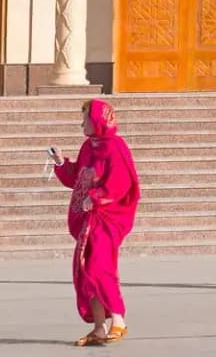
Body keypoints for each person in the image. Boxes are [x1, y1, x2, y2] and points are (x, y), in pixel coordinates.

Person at [53, 99, 140, 346]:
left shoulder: (115, 147)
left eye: (86, 120)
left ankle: (118, 321)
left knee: (99, 267)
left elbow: (121, 183)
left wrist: (97, 197)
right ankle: (99, 327)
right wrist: (61, 163)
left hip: (108, 218)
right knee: (85, 270)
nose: (82, 124)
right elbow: (78, 178)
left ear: (99, 120)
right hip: (89, 217)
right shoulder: (88, 147)